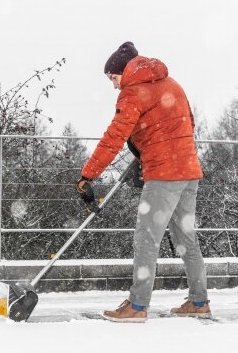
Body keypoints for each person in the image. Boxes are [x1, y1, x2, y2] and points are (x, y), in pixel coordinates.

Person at [76, 41, 211, 322]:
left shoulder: (132, 93)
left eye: (113, 79)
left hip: (164, 174)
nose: (114, 86)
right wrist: (146, 152)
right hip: (188, 170)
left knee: (146, 239)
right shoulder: (172, 83)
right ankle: (199, 301)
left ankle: (137, 306)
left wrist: (88, 174)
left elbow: (114, 136)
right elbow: (187, 125)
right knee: (186, 237)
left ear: (123, 72)